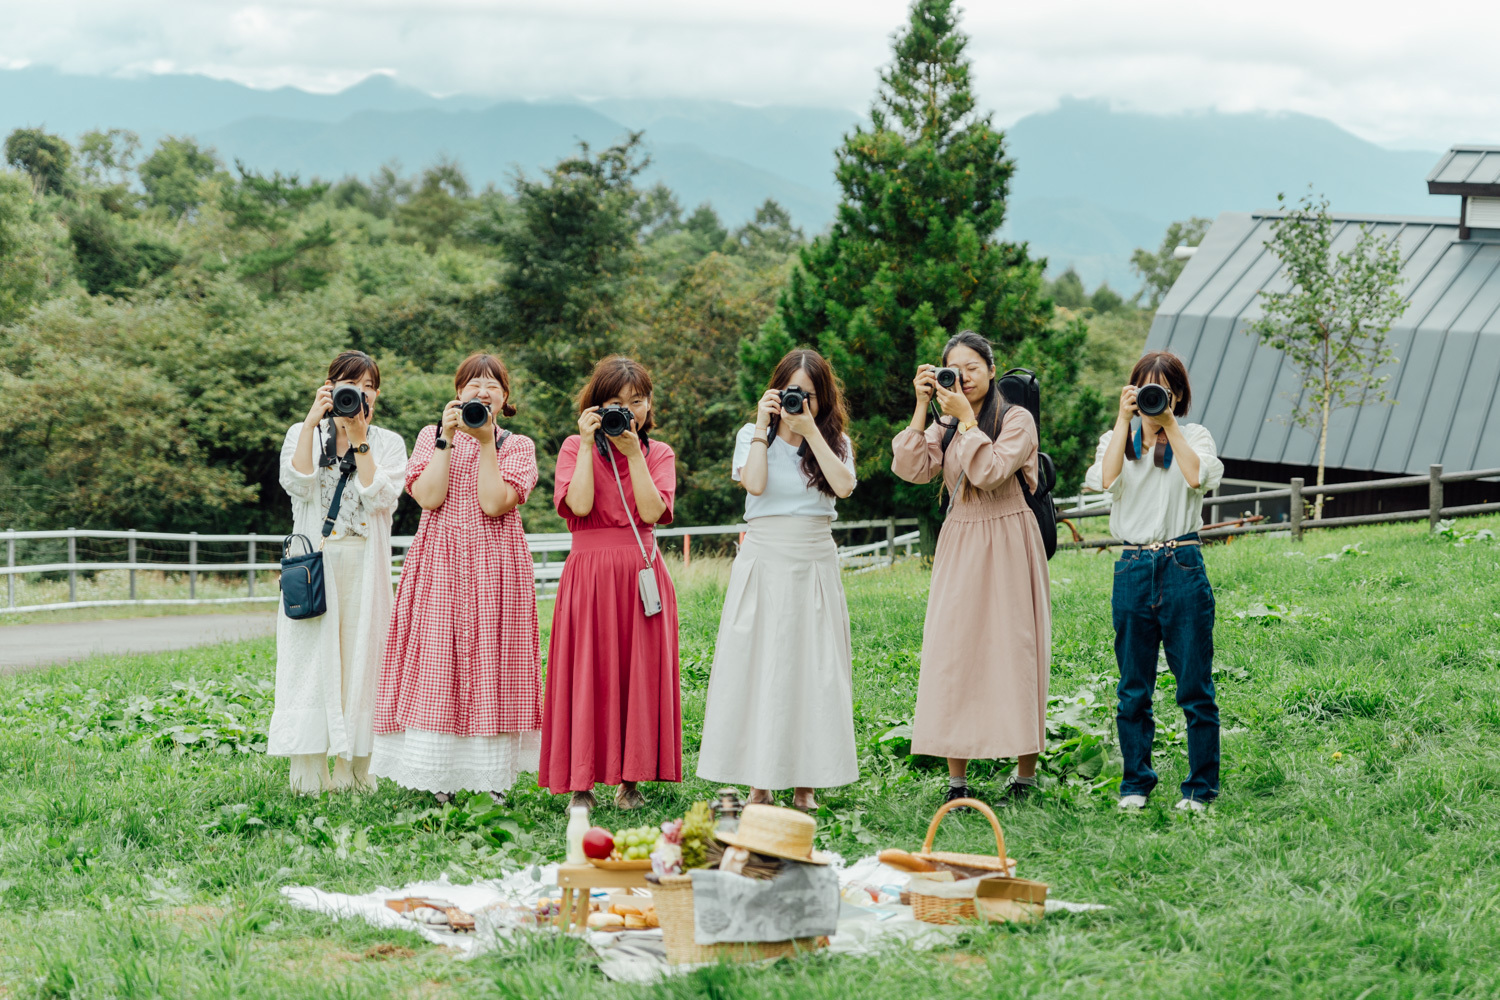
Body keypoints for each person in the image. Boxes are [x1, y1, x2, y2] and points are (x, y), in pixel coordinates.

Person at [370, 353, 543, 803]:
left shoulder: (516, 446)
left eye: (492, 385)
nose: (481, 391)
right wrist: (448, 438)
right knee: (437, 662)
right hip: (440, 560)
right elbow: (428, 496)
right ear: (458, 391)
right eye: (473, 383)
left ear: (505, 398)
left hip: (495, 566)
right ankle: (439, 777)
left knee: (492, 664)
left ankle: (491, 780)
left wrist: (486, 442)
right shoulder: (431, 436)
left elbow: (493, 503)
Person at [891, 331, 1051, 806]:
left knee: (1014, 647)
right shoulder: (941, 424)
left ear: (992, 370)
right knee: (954, 651)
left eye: (972, 367)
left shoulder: (1016, 418)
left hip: (1009, 537)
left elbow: (990, 473)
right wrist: (923, 410)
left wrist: (966, 422)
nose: (962, 376)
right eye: (952, 368)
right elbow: (910, 468)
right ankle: (956, 780)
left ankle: (1024, 776)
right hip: (961, 537)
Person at [697, 349, 859, 813]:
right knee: (759, 667)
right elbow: (755, 484)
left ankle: (807, 781)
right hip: (764, 560)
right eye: (791, 393)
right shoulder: (751, 435)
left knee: (814, 670)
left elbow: (844, 487)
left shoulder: (834, 440)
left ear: (821, 398)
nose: (798, 402)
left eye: (807, 395)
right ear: (775, 391)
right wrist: (765, 431)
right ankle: (759, 781)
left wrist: (811, 432)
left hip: (813, 562)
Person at [1084, 350, 1224, 812]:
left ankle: (1200, 789)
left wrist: (1170, 424)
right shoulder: (1117, 439)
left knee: (1194, 685)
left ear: (1177, 394)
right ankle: (1135, 783)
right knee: (1133, 688)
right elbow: (1105, 481)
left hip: (1182, 561)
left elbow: (1196, 476)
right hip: (1131, 567)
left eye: (1162, 388)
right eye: (1143, 386)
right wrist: (1124, 420)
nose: (1152, 395)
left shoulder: (1195, 435)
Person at [540, 355, 681, 811]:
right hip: (588, 573)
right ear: (595, 406)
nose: (628, 410)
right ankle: (581, 783)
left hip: (640, 573)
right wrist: (585, 446)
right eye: (616, 402)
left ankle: (631, 780)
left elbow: (652, 512)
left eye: (637, 401)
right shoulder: (570, 448)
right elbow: (578, 507)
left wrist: (634, 453)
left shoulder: (658, 453)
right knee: (587, 672)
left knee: (636, 673)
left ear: (648, 405)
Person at [270, 351, 409, 795]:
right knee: (311, 662)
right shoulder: (302, 432)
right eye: (348, 384)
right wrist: (313, 423)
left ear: (377, 394)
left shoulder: (388, 442)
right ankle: (309, 775)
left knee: (366, 662)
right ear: (328, 387)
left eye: (367, 385)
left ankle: (357, 774)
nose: (358, 392)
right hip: (317, 564)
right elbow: (299, 482)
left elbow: (380, 498)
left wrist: (360, 437)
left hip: (366, 567)